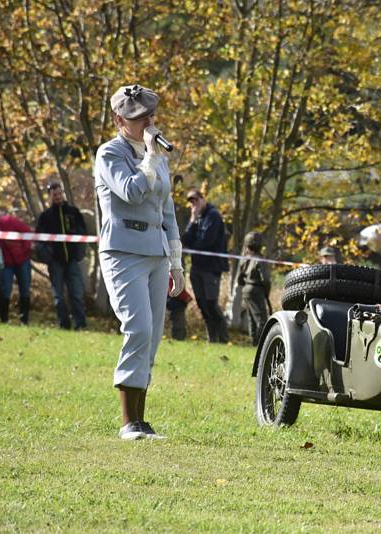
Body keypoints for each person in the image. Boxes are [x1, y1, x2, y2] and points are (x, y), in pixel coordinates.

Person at [94, 83, 184, 440]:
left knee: (152, 338)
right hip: (124, 251)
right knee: (138, 328)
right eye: (137, 117)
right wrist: (150, 156)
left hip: (156, 252)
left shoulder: (156, 158)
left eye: (149, 115)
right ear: (119, 120)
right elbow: (131, 191)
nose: (147, 122)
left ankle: (141, 422)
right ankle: (128, 421)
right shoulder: (109, 153)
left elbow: (168, 212)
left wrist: (177, 263)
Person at [35, 182, 88, 330]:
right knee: (58, 296)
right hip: (55, 262)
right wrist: (47, 257)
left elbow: (82, 233)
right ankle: (64, 324)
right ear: (50, 197)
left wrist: (79, 253)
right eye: (54, 195)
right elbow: (39, 239)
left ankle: (81, 325)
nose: (58, 197)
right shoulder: (45, 217)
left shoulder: (73, 212)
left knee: (76, 295)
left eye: (59, 194)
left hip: (72, 261)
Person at [181, 189, 230, 343]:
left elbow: (206, 241)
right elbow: (185, 239)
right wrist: (191, 220)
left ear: (203, 199)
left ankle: (223, 338)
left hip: (211, 267)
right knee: (202, 304)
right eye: (191, 202)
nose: (193, 205)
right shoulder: (196, 217)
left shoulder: (213, 215)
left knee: (211, 303)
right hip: (197, 267)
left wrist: (193, 246)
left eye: (195, 200)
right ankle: (212, 339)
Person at [0, 210, 33, 324]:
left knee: (25, 288)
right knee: (6, 289)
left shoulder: (9, 221)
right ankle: (4, 319)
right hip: (7, 263)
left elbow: (27, 232)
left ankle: (24, 319)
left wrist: (24, 251)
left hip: (22, 260)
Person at [238, 231, 271, 346]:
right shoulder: (260, 260)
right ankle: (261, 345)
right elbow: (266, 279)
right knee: (262, 319)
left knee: (252, 318)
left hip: (246, 289)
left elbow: (239, 279)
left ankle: (254, 342)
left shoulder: (245, 259)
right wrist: (266, 292)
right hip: (256, 289)